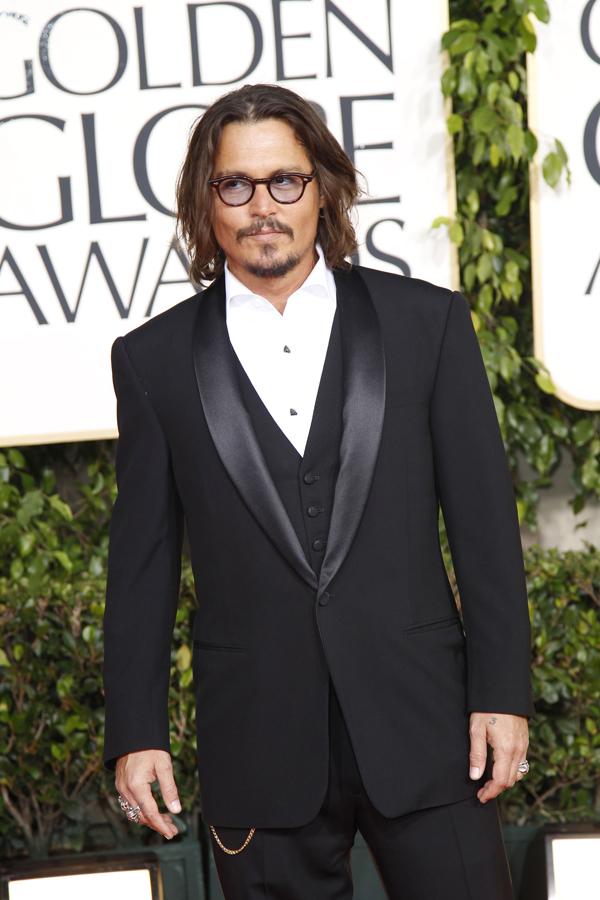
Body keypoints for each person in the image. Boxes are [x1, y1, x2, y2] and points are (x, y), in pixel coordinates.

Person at [103, 82, 533, 900]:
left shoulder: (426, 323)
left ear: (322, 187)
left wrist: (503, 693)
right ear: (207, 199)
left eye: (284, 181)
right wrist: (136, 732)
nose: (262, 205)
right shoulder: (151, 361)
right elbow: (144, 564)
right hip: (257, 741)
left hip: (432, 730)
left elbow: (484, 525)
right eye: (236, 184)